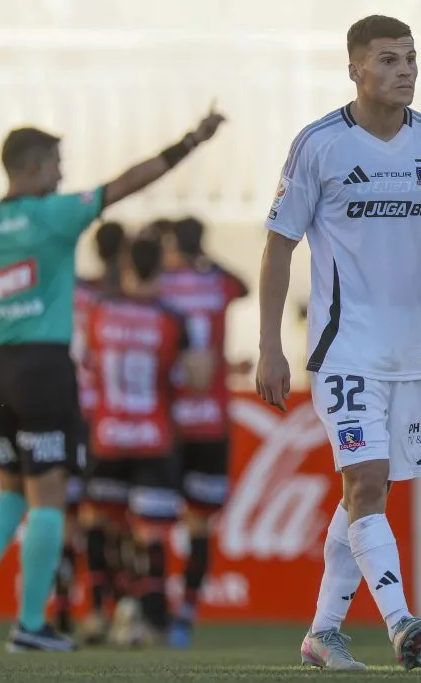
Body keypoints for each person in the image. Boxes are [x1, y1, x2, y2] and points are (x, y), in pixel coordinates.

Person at [255, 15, 421, 672]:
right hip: (343, 350)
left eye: (412, 59)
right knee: (365, 482)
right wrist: (269, 345)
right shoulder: (320, 145)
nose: (405, 71)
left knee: (369, 494)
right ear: (356, 71)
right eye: (389, 60)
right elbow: (278, 246)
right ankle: (400, 621)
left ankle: (322, 632)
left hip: (407, 356)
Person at [0, 105, 224, 652]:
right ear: (35, 167)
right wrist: (189, 142)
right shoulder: (55, 213)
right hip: (42, 369)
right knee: (47, 495)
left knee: (9, 486)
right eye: (57, 163)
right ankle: (29, 624)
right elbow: (128, 182)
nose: (63, 174)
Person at [82, 236, 211, 647]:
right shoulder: (172, 318)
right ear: (161, 266)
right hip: (154, 434)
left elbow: (87, 363)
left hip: (108, 434)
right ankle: (155, 621)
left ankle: (105, 610)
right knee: (151, 533)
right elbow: (197, 377)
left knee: (101, 522)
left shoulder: (100, 310)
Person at [156, 216, 249, 649]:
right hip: (210, 420)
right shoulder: (217, 284)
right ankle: (185, 617)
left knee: (149, 524)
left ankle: (148, 613)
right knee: (199, 525)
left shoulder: (162, 285)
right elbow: (243, 284)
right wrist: (204, 259)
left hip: (168, 421)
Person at [52, 220, 128, 636]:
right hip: (109, 418)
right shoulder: (123, 299)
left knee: (66, 515)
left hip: (68, 411)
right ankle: (104, 608)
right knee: (105, 519)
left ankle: (63, 606)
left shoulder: (75, 292)